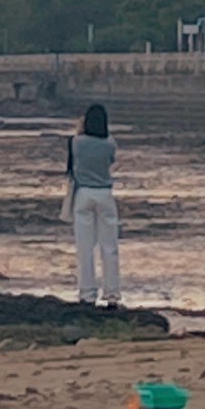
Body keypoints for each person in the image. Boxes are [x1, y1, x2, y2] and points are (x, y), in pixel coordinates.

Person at [66, 103, 120, 308]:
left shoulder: (76, 142)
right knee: (109, 247)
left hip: (83, 194)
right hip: (105, 194)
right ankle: (112, 294)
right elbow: (111, 161)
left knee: (85, 247)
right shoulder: (109, 143)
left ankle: (87, 294)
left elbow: (71, 166)